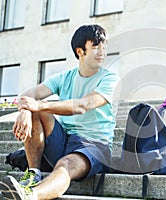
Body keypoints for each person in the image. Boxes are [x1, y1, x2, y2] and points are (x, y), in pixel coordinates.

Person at [0, 24, 119, 199]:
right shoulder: (64, 77)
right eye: (95, 47)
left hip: (94, 145)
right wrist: (25, 111)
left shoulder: (110, 79)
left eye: (104, 47)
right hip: (63, 140)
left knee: (65, 164)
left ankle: (30, 195)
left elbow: (82, 105)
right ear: (80, 51)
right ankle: (34, 172)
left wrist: (38, 105)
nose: (102, 52)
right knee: (34, 109)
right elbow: (29, 94)